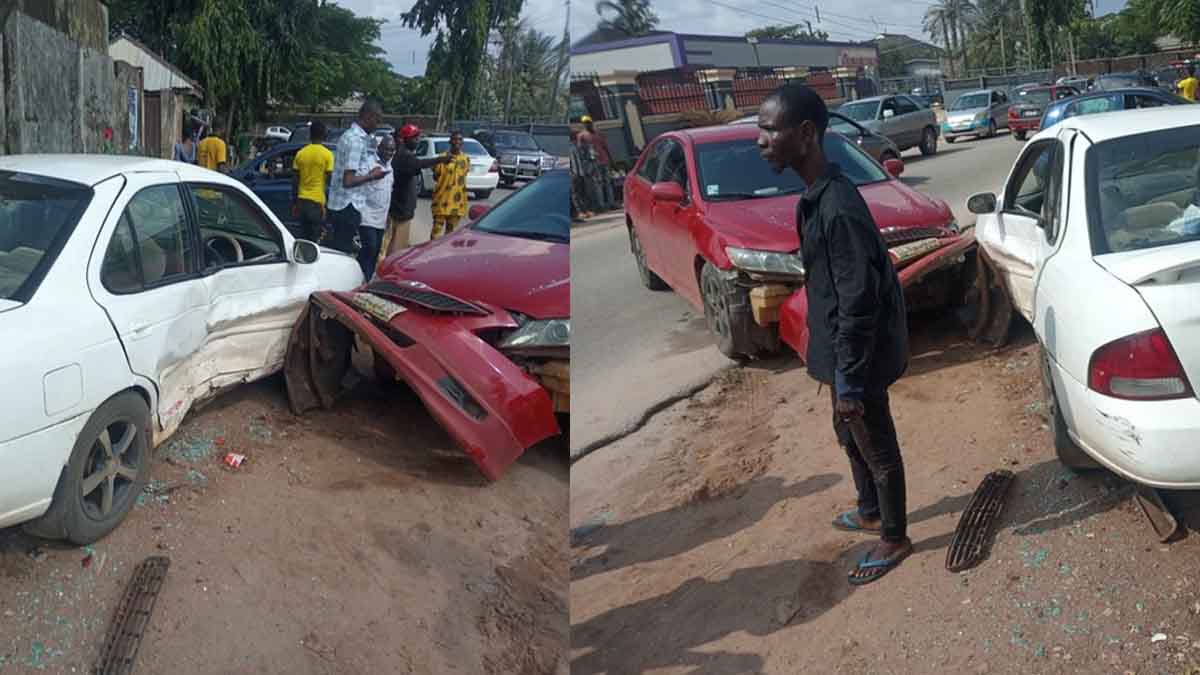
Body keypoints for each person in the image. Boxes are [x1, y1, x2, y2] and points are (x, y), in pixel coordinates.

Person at [757, 83, 911, 586]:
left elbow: (858, 303)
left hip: (859, 353)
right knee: (848, 433)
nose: (760, 140)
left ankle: (893, 535)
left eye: (769, 129)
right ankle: (868, 510)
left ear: (804, 135)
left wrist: (848, 379)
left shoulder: (838, 208)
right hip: (840, 348)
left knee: (875, 442)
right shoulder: (818, 195)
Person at [379, 123, 452, 265]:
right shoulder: (404, 156)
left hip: (401, 207)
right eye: (414, 138)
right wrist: (440, 159)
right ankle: (386, 271)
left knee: (392, 243)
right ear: (405, 139)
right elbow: (419, 164)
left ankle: (384, 266)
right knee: (397, 245)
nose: (417, 141)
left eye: (418, 137)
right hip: (400, 209)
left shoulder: (405, 155)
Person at [326, 99, 388, 256]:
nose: (378, 124)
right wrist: (372, 176)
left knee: (338, 250)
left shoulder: (351, 136)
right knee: (341, 254)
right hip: (347, 206)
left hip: (341, 205)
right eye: (377, 120)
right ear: (368, 116)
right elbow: (348, 181)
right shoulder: (355, 141)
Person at [357, 135, 395, 279]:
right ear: (379, 148)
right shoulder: (368, 163)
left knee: (375, 253)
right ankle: (357, 274)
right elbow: (357, 185)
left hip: (381, 219)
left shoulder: (390, 167)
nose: (389, 153)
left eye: (392, 150)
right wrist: (371, 176)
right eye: (386, 149)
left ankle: (366, 279)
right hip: (366, 216)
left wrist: (388, 217)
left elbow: (388, 193)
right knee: (370, 247)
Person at [290, 121, 335, 243]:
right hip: (317, 203)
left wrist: (294, 203)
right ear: (324, 135)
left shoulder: (301, 153)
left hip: (302, 201)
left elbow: (295, 181)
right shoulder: (328, 155)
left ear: (310, 135)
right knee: (314, 239)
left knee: (303, 237)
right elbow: (330, 181)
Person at [429, 130, 471, 239]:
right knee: (436, 232)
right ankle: (432, 254)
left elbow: (464, 175)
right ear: (450, 141)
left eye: (460, 139)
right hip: (442, 199)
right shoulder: (442, 157)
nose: (457, 142)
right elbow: (435, 176)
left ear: (462, 143)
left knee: (451, 234)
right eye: (454, 139)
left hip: (457, 202)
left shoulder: (466, 159)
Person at [580, 115, 615, 211]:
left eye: (588, 122)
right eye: (585, 123)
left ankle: (611, 203)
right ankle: (601, 205)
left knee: (608, 182)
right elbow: (581, 151)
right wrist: (586, 162)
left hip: (604, 160)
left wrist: (611, 160)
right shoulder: (582, 136)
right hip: (593, 162)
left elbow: (605, 147)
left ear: (592, 123)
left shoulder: (599, 133)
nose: (587, 124)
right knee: (598, 184)